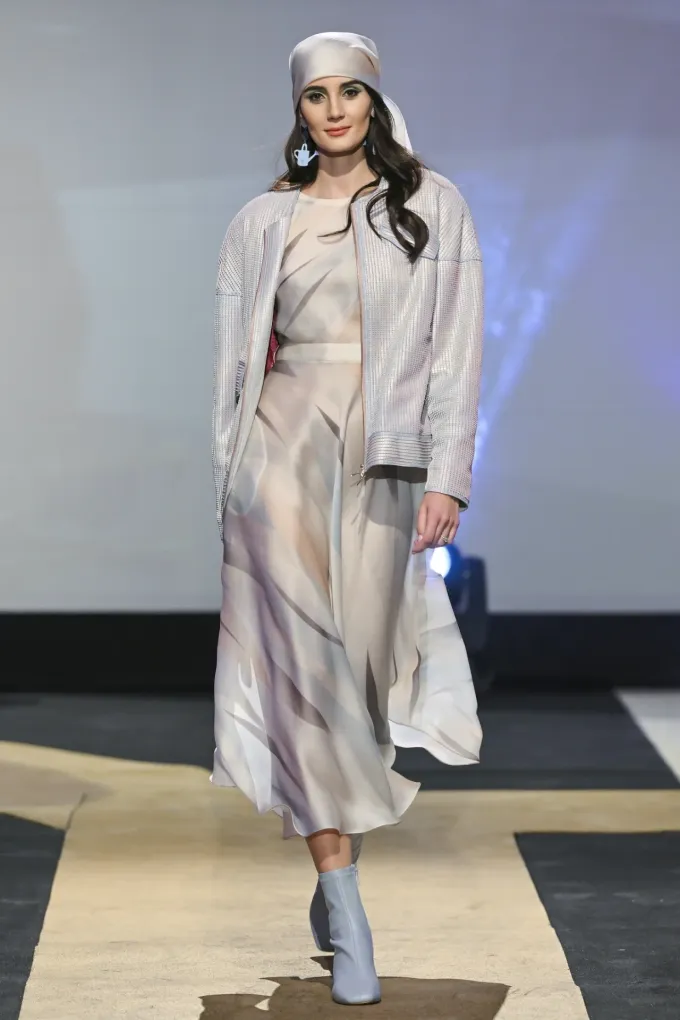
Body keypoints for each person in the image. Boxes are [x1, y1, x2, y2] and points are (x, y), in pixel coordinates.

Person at [211, 31, 484, 1006]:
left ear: (373, 100)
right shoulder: (260, 221)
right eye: (315, 95)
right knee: (304, 677)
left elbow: (457, 350)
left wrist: (449, 476)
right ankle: (346, 900)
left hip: (382, 461)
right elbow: (233, 365)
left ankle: (334, 873)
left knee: (358, 685)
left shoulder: (432, 207)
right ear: (298, 109)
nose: (333, 110)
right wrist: (226, 479)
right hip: (277, 458)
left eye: (348, 92)